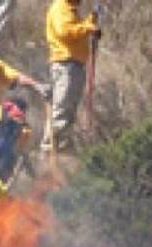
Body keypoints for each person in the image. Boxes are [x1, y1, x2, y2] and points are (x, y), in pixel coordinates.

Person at [43, 0, 100, 154]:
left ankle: (62, 146)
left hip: (74, 65)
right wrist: (88, 28)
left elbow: (75, 30)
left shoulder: (70, 9)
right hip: (65, 64)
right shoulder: (60, 7)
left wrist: (91, 22)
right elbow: (65, 32)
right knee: (62, 109)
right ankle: (51, 150)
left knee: (68, 110)